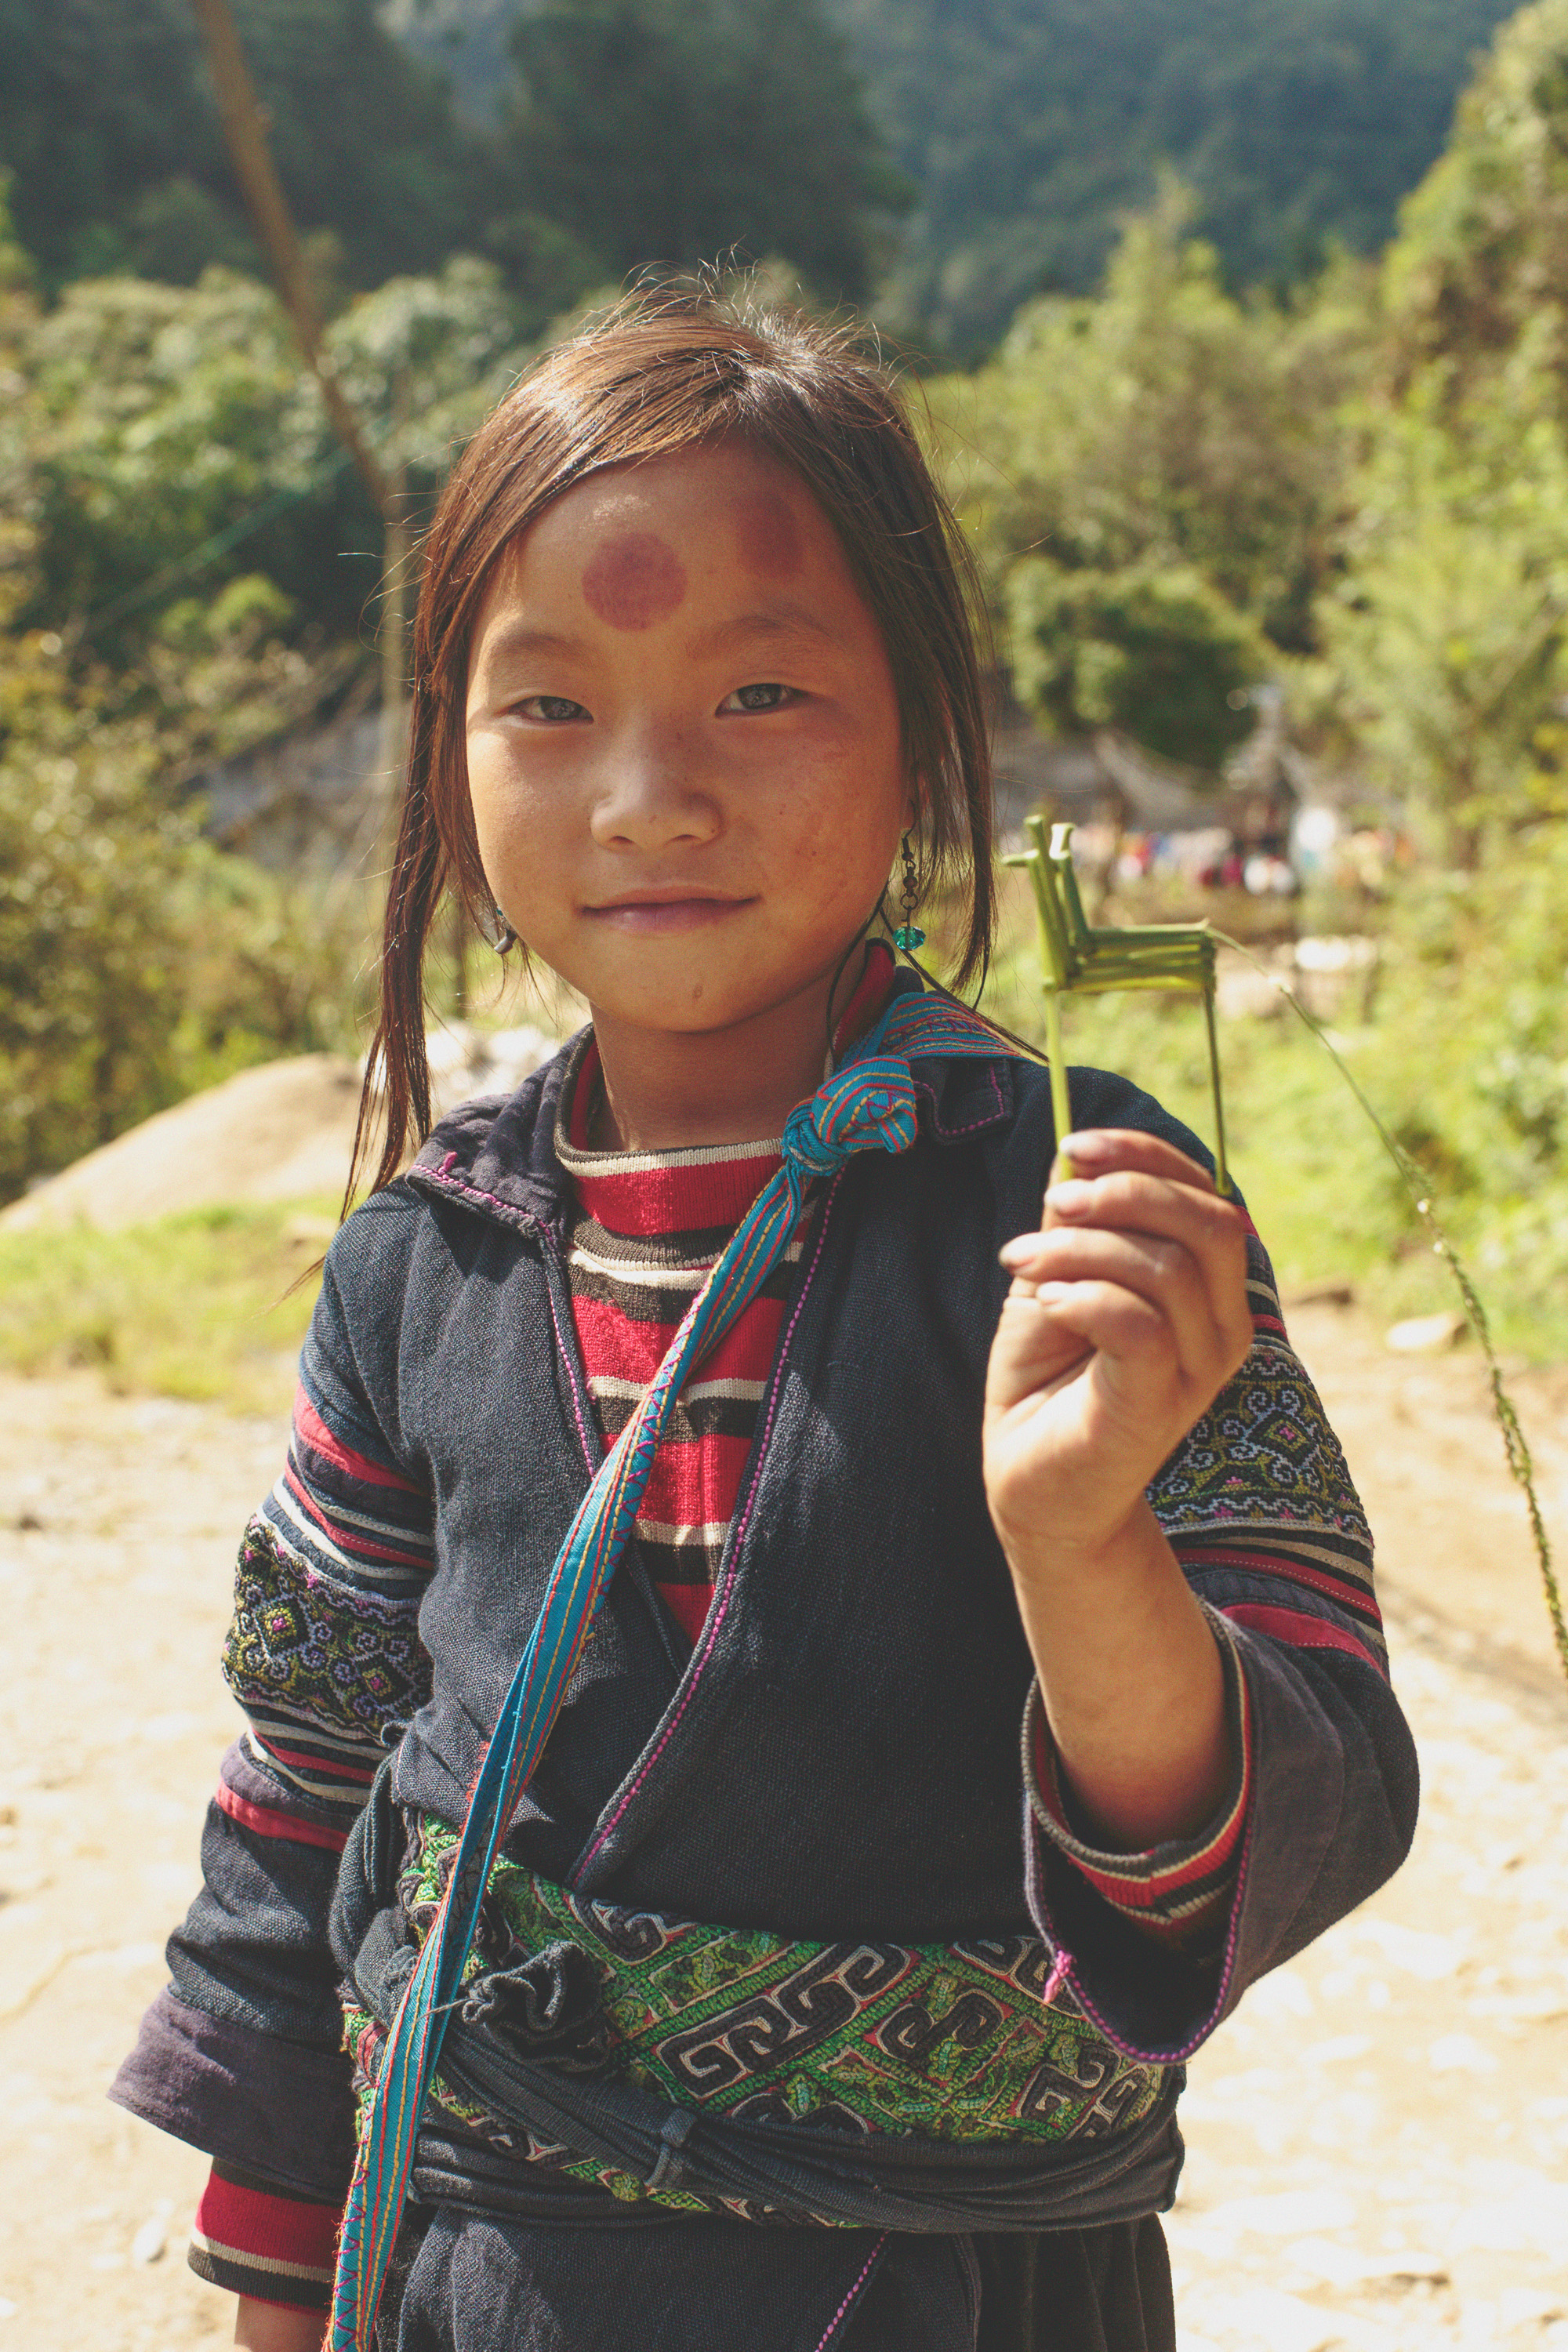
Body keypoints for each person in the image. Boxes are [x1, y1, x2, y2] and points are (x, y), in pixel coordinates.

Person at [111, 289, 1417, 2352]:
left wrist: (1082, 1550)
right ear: (451, 761)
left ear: (924, 732)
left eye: (761, 692)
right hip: (467, 2281)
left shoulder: (1089, 1212)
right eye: (551, 706)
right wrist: (284, 2287)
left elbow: (1300, 1794)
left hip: (954, 2298)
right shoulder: (418, 1262)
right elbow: (306, 1788)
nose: (648, 796)